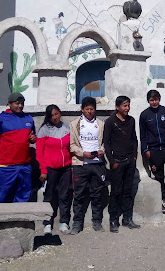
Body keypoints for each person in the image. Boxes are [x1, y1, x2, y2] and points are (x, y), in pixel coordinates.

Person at [0, 92, 36, 203]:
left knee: (23, 197)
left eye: (22, 103)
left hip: (24, 166)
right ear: (9, 104)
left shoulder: (28, 118)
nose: (20, 106)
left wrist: (33, 138)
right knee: (3, 197)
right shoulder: (1, 118)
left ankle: (21, 220)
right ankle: (1, 220)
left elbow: (32, 136)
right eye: (17, 103)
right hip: (6, 166)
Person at [140, 90, 165, 220]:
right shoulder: (144, 115)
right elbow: (143, 134)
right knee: (159, 176)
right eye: (152, 100)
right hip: (154, 150)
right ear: (148, 101)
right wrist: (146, 150)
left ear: (160, 99)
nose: (154, 102)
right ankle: (164, 198)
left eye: (156, 99)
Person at [69, 97, 107, 234]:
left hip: (97, 164)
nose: (89, 112)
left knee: (97, 194)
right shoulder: (75, 124)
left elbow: (104, 143)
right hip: (81, 164)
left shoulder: (100, 124)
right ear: (82, 109)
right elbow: (72, 145)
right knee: (79, 195)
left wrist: (101, 151)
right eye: (87, 109)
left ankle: (97, 221)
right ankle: (77, 223)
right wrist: (83, 153)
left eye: (92, 109)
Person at [104, 95, 141, 233]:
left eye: (128, 105)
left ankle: (127, 219)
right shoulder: (110, 121)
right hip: (117, 163)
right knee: (116, 192)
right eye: (124, 106)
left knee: (128, 191)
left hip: (130, 162)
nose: (127, 108)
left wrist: (134, 157)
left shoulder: (131, 120)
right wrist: (112, 161)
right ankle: (114, 220)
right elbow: (106, 143)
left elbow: (134, 139)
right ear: (117, 107)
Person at [36, 104, 73, 235]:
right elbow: (39, 152)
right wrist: (43, 170)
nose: (55, 117)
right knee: (49, 196)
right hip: (50, 169)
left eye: (56, 114)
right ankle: (47, 224)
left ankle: (64, 222)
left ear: (60, 113)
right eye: (52, 115)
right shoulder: (44, 130)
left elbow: (71, 146)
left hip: (66, 168)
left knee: (64, 195)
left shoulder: (66, 127)